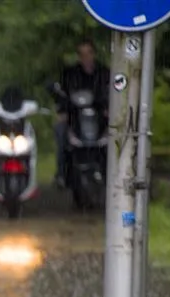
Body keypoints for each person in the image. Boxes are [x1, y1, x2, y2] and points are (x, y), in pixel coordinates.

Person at [54, 38, 110, 188]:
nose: (86, 57)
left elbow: (112, 92)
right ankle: (61, 173)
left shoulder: (105, 73)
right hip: (75, 117)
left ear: (94, 54)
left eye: (89, 53)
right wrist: (62, 111)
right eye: (82, 54)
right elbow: (63, 94)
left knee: (117, 135)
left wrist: (109, 108)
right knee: (60, 132)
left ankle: (115, 174)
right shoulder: (70, 74)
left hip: (99, 118)